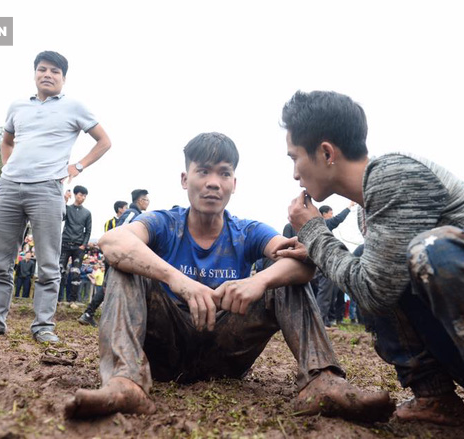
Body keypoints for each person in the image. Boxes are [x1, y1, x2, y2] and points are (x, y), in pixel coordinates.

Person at [64, 132, 394, 422]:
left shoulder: (247, 230)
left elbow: (303, 262)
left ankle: (322, 381)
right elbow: (112, 242)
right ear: (184, 178)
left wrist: (259, 281)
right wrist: (178, 280)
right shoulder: (165, 222)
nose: (213, 182)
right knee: (126, 267)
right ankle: (126, 381)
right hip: (165, 347)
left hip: (226, 352)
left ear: (234, 184)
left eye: (224, 173)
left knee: (284, 276)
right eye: (203, 171)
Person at [279, 90, 464, 439]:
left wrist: (316, 234)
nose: (294, 175)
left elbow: (372, 290)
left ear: (326, 153)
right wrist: (317, 250)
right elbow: (376, 276)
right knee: (370, 259)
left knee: (433, 249)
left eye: (294, 158)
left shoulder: (394, 173)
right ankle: (435, 397)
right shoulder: (371, 205)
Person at [0, 51, 111, 343]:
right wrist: (7, 168)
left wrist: (77, 167)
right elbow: (7, 140)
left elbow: (104, 141)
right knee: (0, 261)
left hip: (47, 189)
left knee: (48, 262)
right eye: (42, 69)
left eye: (54, 71)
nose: (47, 74)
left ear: (63, 78)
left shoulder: (74, 107)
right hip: (8, 187)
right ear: (34, 74)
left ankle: (43, 325)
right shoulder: (18, 106)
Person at [314, 203, 353, 326]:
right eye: (330, 213)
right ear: (324, 214)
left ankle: (325, 320)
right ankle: (320, 322)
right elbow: (338, 219)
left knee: (326, 294)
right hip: (324, 264)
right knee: (324, 294)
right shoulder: (323, 224)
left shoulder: (316, 227)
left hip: (319, 264)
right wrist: (348, 207)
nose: (332, 216)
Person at [59, 185, 92, 304]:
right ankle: (58, 299)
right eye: (80, 195)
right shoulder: (67, 209)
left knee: (76, 273)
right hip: (65, 244)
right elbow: (60, 217)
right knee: (60, 271)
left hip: (79, 247)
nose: (82, 197)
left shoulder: (87, 213)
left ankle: (72, 300)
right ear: (75, 195)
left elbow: (88, 231)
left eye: (84, 196)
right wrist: (64, 201)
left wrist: (83, 245)